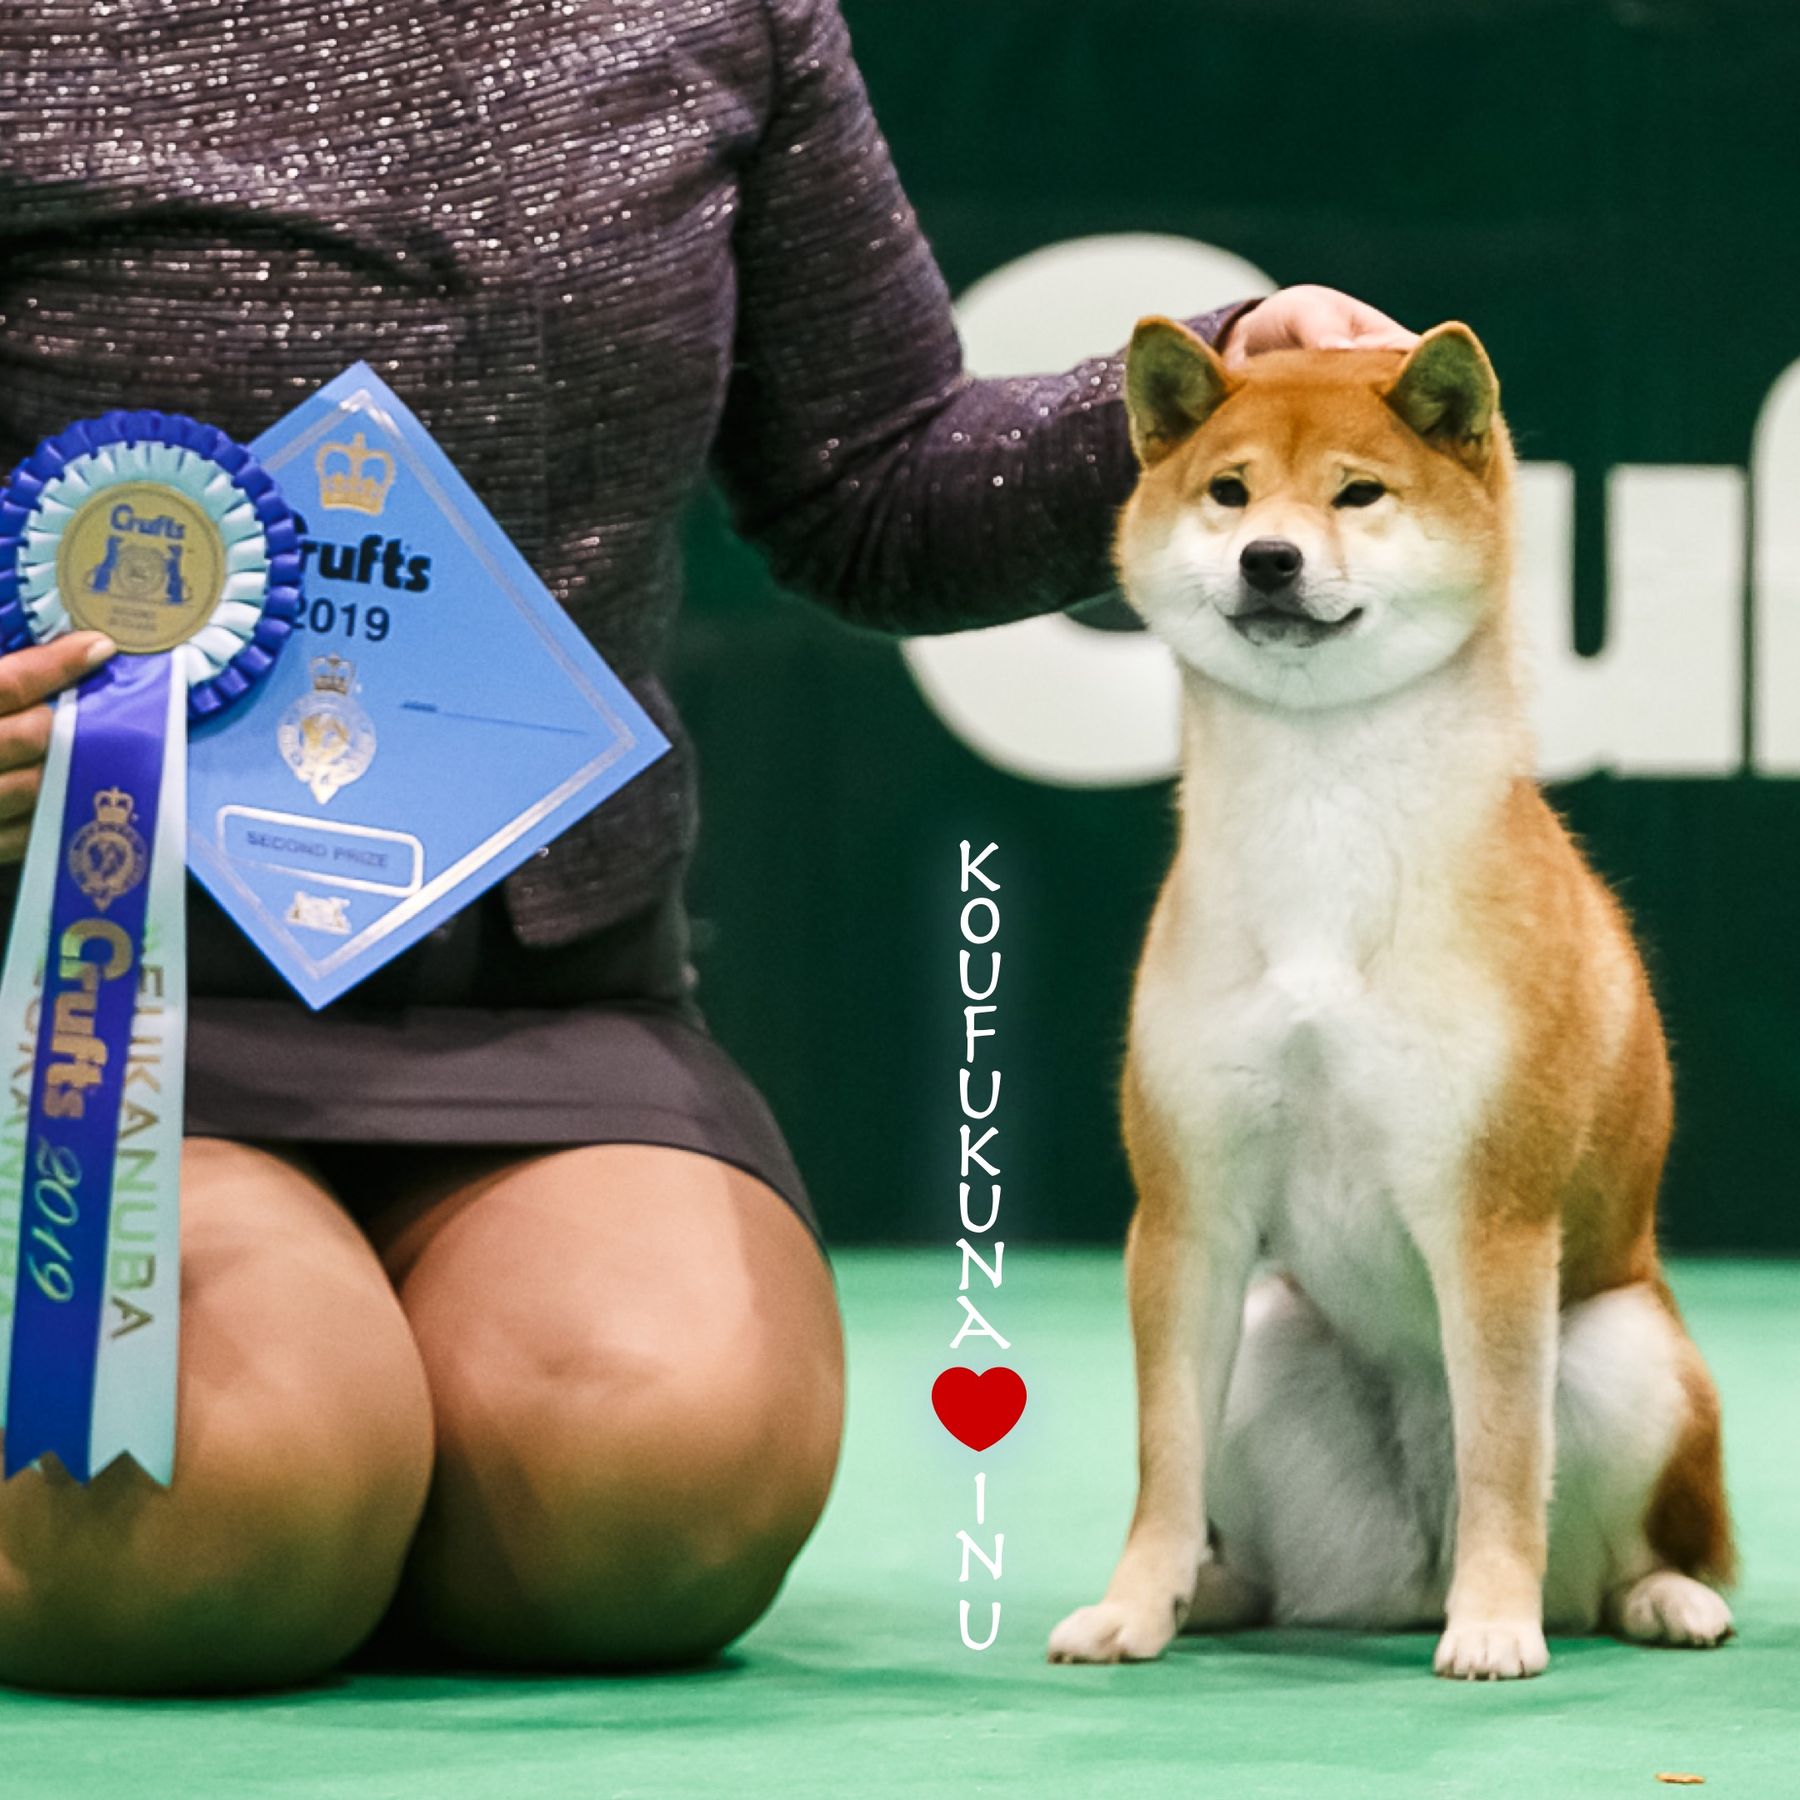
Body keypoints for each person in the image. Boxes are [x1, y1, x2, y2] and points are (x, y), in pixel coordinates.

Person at [0, 0, 1415, 1693]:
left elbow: (873, 483)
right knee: (226, 1518)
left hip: (529, 1000)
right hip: (72, 997)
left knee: (652, 1499)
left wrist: (1217, 394)